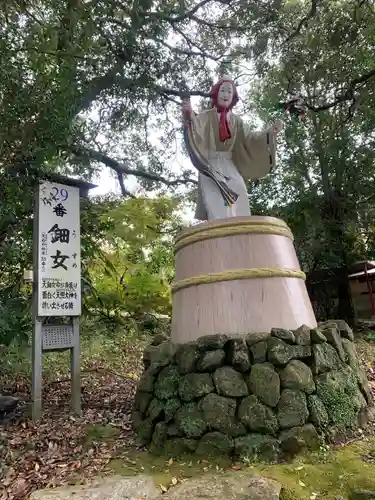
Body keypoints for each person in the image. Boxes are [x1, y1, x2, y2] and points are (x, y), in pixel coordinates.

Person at [182, 77, 283, 221]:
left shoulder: (237, 121)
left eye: (229, 91)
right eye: (222, 90)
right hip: (210, 165)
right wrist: (189, 113)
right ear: (216, 94)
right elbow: (195, 127)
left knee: (240, 192)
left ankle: (243, 232)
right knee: (215, 202)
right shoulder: (206, 116)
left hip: (230, 164)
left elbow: (250, 138)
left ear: (233, 96)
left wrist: (269, 133)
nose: (225, 94)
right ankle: (220, 235)